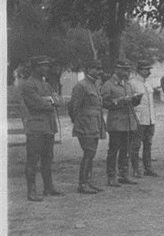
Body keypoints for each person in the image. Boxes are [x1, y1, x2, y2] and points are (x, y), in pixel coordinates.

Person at [20, 55, 65, 201]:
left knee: (48, 158)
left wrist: (49, 100)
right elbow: (36, 104)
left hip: (48, 127)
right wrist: (50, 101)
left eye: (47, 65)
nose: (46, 68)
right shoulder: (28, 84)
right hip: (36, 127)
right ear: (35, 67)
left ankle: (48, 187)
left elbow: (59, 100)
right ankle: (31, 191)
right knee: (33, 159)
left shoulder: (46, 84)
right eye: (42, 66)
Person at [68, 59, 107, 194]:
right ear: (88, 69)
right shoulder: (81, 86)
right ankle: (82, 184)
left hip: (94, 124)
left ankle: (88, 181)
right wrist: (78, 122)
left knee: (92, 153)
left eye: (100, 68)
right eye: (95, 68)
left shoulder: (94, 85)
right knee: (88, 153)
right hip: (85, 125)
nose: (99, 71)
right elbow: (73, 107)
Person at [101, 60, 142, 186]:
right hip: (116, 122)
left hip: (128, 122)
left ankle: (124, 174)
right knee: (114, 149)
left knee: (126, 149)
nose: (126, 72)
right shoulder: (108, 85)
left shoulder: (127, 84)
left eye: (127, 70)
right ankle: (111, 176)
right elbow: (104, 102)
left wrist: (136, 100)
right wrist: (119, 102)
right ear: (117, 69)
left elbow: (131, 102)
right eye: (124, 69)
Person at [129, 59, 159, 177]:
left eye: (149, 69)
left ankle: (148, 168)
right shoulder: (132, 83)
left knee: (148, 144)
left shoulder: (148, 83)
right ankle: (136, 169)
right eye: (146, 69)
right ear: (139, 70)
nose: (148, 72)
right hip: (139, 119)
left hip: (150, 118)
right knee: (135, 145)